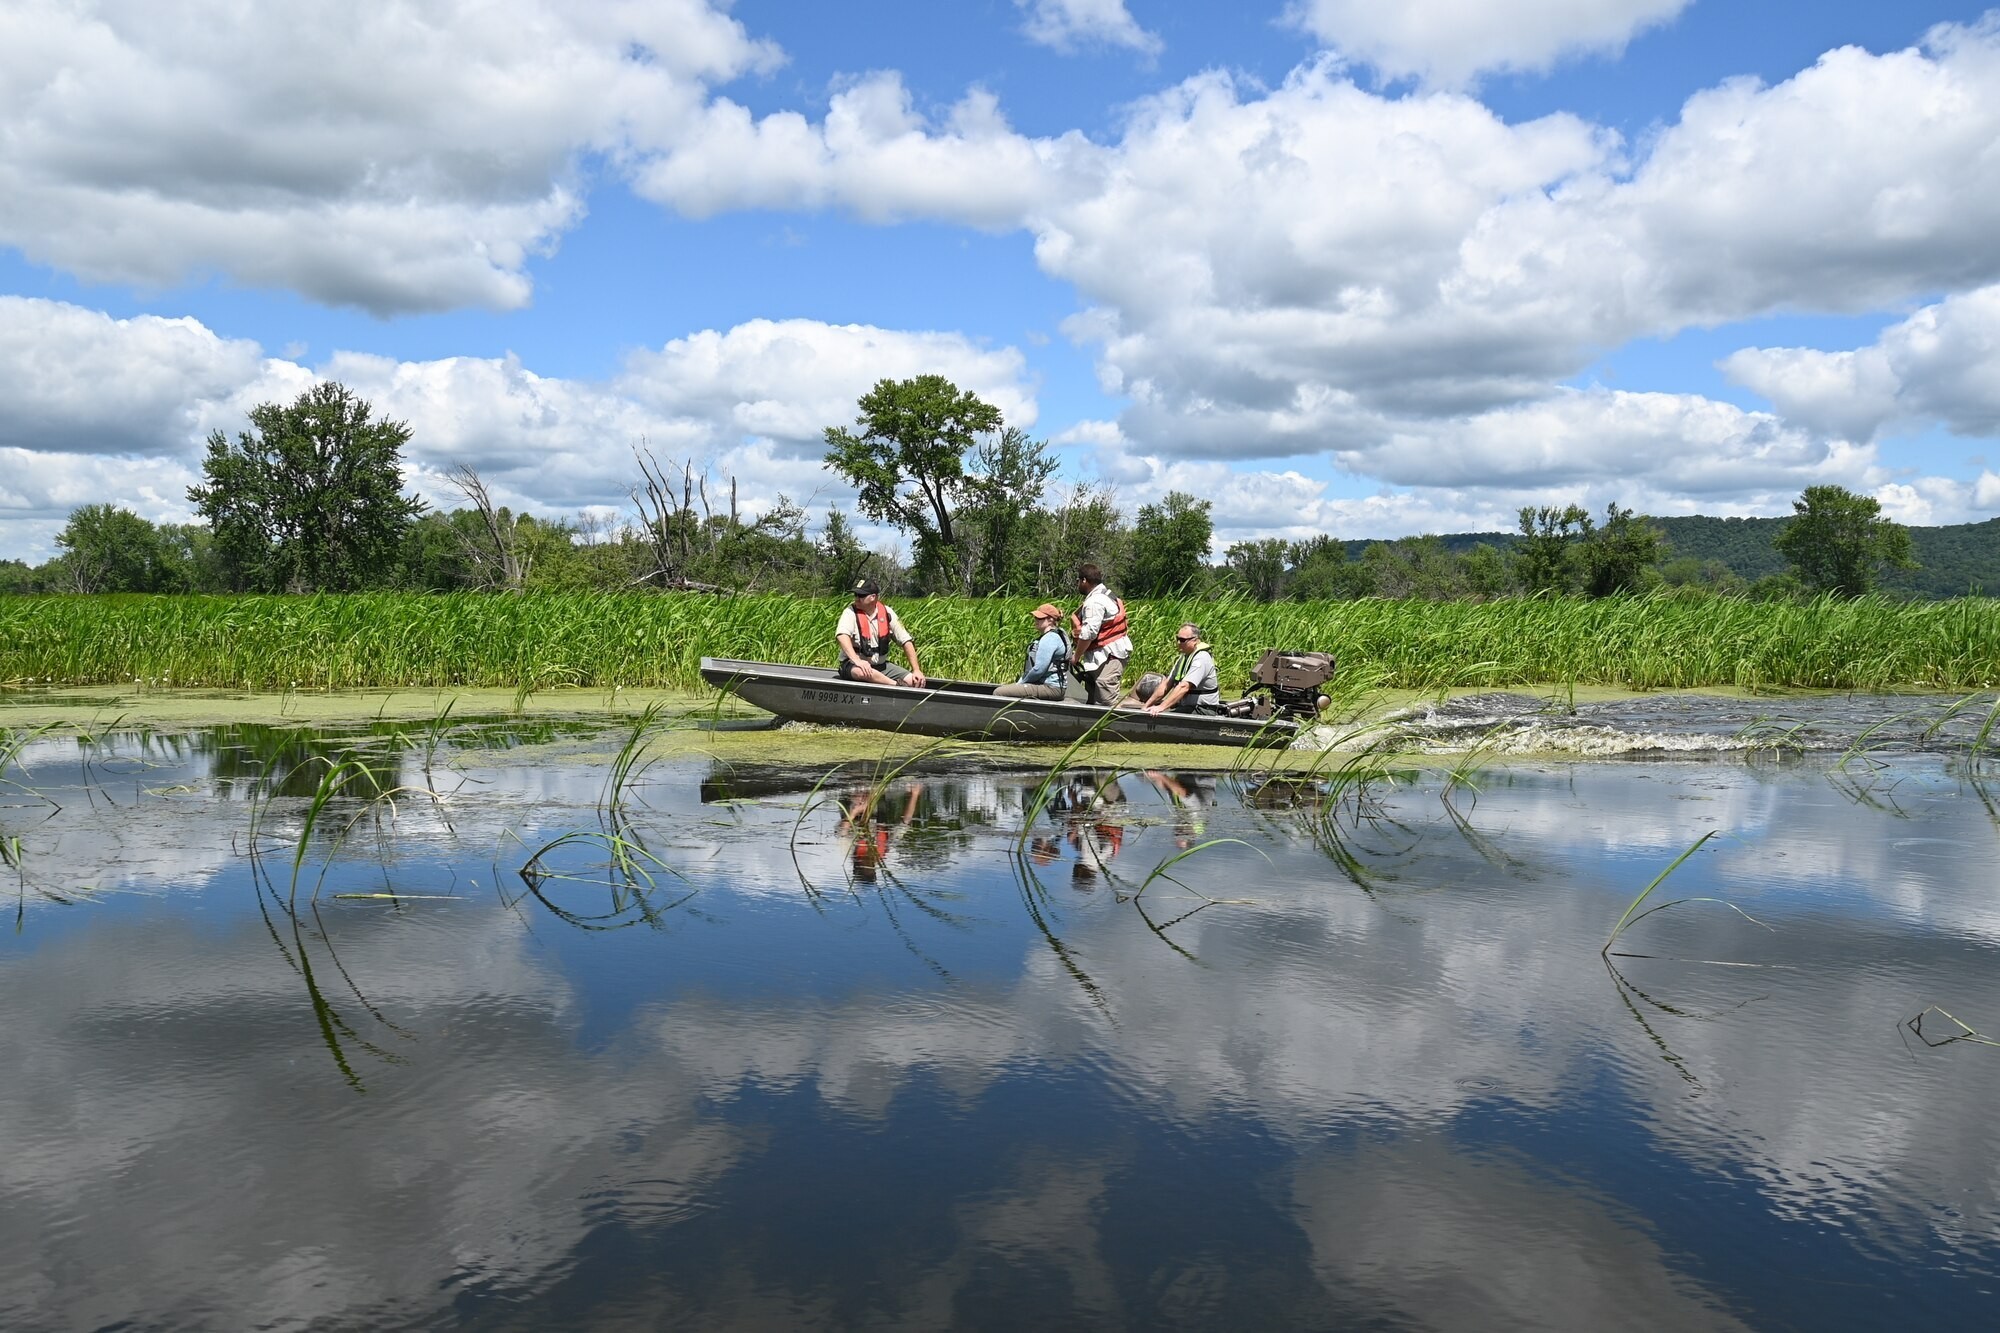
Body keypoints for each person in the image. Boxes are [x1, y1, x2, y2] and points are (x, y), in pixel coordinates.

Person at [835, 578, 927, 688]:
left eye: (861, 596)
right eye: (855, 595)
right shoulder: (850, 612)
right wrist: (857, 660)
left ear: (873, 597)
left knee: (915, 681)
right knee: (863, 672)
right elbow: (842, 636)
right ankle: (896, 685)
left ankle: (902, 689)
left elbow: (906, 641)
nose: (856, 599)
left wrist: (916, 670)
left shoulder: (887, 613)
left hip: (881, 666)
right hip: (854, 666)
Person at [1069, 563, 1132, 706]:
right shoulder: (1107, 595)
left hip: (1109, 656)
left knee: (1105, 700)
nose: (1078, 584)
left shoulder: (1095, 601)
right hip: (1106, 655)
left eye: (1078, 581)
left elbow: (1088, 634)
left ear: (1084, 580)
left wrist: (1076, 657)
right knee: (1093, 698)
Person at [1129, 624, 1224, 715]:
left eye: (1182, 640)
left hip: (1203, 709)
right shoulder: (1184, 658)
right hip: (1187, 707)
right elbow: (1166, 684)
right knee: (1156, 710)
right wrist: (1146, 706)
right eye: (1177, 639)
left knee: (1163, 715)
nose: (1178, 643)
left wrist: (1161, 707)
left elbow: (1184, 687)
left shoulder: (1201, 658)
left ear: (1195, 640)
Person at [995, 603, 1070, 700]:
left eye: (1039, 618)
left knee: (998, 692)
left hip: (1051, 688)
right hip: (1052, 687)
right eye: (1035, 617)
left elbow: (1039, 669)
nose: (1035, 620)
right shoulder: (1053, 635)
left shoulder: (1050, 638)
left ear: (1050, 620)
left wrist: (1022, 683)